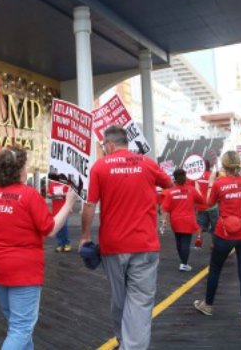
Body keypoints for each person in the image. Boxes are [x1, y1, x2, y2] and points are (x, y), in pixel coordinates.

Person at [0, 147, 77, 350]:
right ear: (18, 171)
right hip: (23, 270)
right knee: (21, 328)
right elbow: (51, 229)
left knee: (16, 324)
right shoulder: (29, 195)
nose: (26, 170)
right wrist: (68, 204)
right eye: (24, 166)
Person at [80, 125, 172, 350]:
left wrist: (84, 236)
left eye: (103, 146)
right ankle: (130, 344)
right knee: (139, 302)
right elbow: (168, 184)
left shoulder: (99, 167)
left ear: (110, 144)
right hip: (145, 244)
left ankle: (124, 341)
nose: (104, 149)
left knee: (120, 298)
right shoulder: (147, 163)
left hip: (113, 246)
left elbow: (90, 205)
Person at [193, 151, 241, 329]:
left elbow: (209, 203)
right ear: (239, 164)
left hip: (224, 233)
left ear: (224, 166)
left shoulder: (219, 184)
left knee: (215, 269)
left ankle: (208, 305)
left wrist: (210, 184)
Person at [161, 169, 205, 272]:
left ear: (174, 178)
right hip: (188, 220)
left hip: (175, 221)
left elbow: (165, 209)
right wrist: (197, 188)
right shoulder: (191, 190)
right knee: (185, 242)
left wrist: (164, 221)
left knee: (179, 242)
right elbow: (201, 200)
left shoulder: (170, 192)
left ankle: (183, 261)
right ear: (185, 177)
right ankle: (184, 263)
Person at [194, 160, 218, 248]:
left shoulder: (197, 177)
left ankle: (199, 237)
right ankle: (213, 243)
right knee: (214, 224)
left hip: (201, 205)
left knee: (200, 224)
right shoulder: (212, 175)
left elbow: (196, 190)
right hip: (212, 205)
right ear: (209, 166)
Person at [47, 180, 71, 252]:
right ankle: (60, 244)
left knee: (63, 226)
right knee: (57, 227)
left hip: (64, 208)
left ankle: (66, 243)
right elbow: (48, 194)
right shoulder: (53, 184)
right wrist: (52, 195)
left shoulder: (66, 183)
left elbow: (70, 194)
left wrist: (62, 194)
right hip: (55, 210)